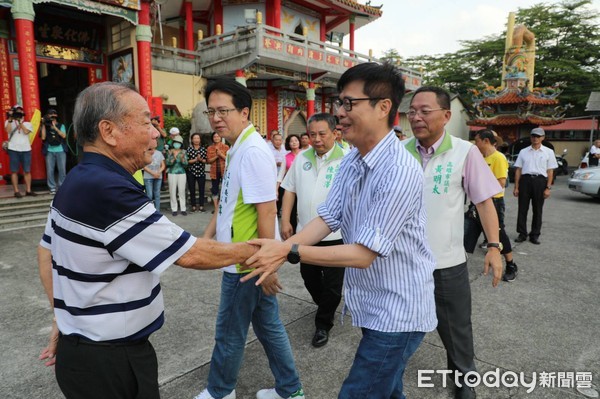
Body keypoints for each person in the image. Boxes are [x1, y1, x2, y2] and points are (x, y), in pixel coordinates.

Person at [36, 82, 258, 399]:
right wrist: (266, 249)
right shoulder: (107, 189)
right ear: (109, 131)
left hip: (85, 352)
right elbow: (191, 254)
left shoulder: (79, 178)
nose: (156, 132)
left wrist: (62, 314)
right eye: (146, 122)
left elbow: (45, 250)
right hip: (110, 363)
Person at [242, 62, 437, 399]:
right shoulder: (353, 159)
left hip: (399, 312)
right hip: (375, 304)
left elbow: (362, 254)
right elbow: (328, 217)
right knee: (387, 391)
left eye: (349, 104)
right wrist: (281, 247)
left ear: (383, 107)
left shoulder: (400, 170)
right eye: (338, 103)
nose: (339, 113)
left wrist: (288, 250)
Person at [194, 79, 304, 399]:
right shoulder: (238, 147)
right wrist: (207, 236)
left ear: (244, 112)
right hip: (241, 256)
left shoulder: (253, 150)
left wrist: (263, 264)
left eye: (223, 110)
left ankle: (219, 391)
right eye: (211, 111)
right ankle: (290, 389)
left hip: (245, 261)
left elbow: (266, 212)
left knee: (229, 331)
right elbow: (228, 203)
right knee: (268, 327)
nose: (216, 117)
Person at [404, 86, 503, 399]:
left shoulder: (464, 152)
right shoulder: (398, 151)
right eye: (412, 111)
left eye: (424, 110)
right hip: (403, 262)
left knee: (456, 329)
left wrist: (494, 247)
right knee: (398, 326)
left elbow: (484, 202)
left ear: (446, 116)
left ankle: (464, 383)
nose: (416, 117)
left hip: (446, 262)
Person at [280, 113, 347, 348]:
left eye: (322, 134)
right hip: (305, 233)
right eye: (312, 134)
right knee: (309, 278)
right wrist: (285, 220)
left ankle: (323, 324)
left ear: (335, 133)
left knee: (332, 284)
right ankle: (326, 306)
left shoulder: (347, 159)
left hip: (336, 236)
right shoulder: (301, 159)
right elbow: (290, 189)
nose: (316, 139)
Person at [465, 129, 519, 282]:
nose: (476, 144)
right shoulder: (480, 157)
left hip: (493, 202)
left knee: (498, 235)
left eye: (477, 141)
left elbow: (501, 182)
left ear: (486, 141)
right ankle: (458, 267)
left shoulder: (498, 158)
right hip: (476, 202)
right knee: (467, 232)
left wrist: (479, 186)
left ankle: (511, 265)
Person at [513, 127, 558, 245]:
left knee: (538, 209)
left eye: (538, 136)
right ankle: (522, 233)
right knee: (522, 208)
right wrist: (516, 187)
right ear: (530, 137)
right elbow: (518, 170)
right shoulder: (523, 151)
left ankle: (535, 234)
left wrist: (548, 188)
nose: (535, 138)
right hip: (525, 180)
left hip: (540, 181)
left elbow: (550, 171)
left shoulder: (548, 152)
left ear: (543, 137)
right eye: (533, 136)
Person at [4, 105, 37, 198]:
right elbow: (8, 130)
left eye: (20, 111)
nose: (19, 113)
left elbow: (26, 132)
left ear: (23, 113)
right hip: (13, 149)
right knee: (14, 171)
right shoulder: (8, 121)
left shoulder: (27, 123)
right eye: (17, 111)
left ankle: (28, 190)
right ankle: (16, 191)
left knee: (27, 170)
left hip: (26, 149)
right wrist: (11, 119)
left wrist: (20, 122)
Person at [40, 108, 67, 194]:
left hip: (60, 150)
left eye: (53, 115)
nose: (52, 117)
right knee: (50, 170)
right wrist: (43, 124)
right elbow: (43, 137)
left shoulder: (61, 125)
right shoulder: (46, 126)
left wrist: (55, 128)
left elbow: (64, 136)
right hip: (49, 150)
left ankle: (62, 186)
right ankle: (52, 187)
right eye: (50, 115)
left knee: (62, 169)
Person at [166, 134, 188, 216]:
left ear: (181, 144)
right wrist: (173, 158)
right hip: (172, 173)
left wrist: (182, 159)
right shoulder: (170, 151)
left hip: (182, 172)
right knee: (172, 191)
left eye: (178, 143)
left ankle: (183, 209)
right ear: (173, 143)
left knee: (182, 191)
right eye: (175, 142)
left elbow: (186, 164)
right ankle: (174, 209)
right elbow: (167, 163)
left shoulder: (184, 152)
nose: (177, 144)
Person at [206, 131, 229, 213]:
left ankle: (223, 207)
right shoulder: (210, 148)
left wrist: (221, 154)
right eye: (215, 136)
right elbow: (209, 161)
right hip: (214, 172)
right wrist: (216, 155)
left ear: (221, 137)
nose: (216, 138)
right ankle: (216, 208)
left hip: (224, 172)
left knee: (224, 189)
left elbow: (228, 159)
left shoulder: (226, 147)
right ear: (213, 138)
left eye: (218, 136)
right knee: (215, 189)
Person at [187, 132, 208, 212]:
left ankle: (201, 205)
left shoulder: (203, 149)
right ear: (192, 140)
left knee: (201, 189)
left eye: (198, 138)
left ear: (200, 140)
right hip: (191, 172)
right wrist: (195, 160)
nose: (196, 140)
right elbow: (187, 161)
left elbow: (206, 160)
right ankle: (193, 206)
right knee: (192, 189)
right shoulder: (189, 149)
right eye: (194, 138)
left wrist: (201, 160)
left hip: (201, 172)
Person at [143, 140, 165, 210]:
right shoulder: (144, 153)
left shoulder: (159, 153)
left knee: (157, 194)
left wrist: (159, 172)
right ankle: (150, 211)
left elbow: (163, 165)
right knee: (149, 195)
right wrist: (153, 173)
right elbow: (143, 166)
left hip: (158, 176)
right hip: (148, 176)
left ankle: (157, 211)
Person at [270, 132, 288, 216]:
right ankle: (272, 210)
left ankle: (278, 211)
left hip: (283, 176)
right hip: (272, 176)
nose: (278, 142)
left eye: (280, 140)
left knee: (281, 194)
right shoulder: (268, 149)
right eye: (276, 140)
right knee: (272, 194)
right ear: (272, 140)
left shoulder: (285, 149)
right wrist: (275, 163)